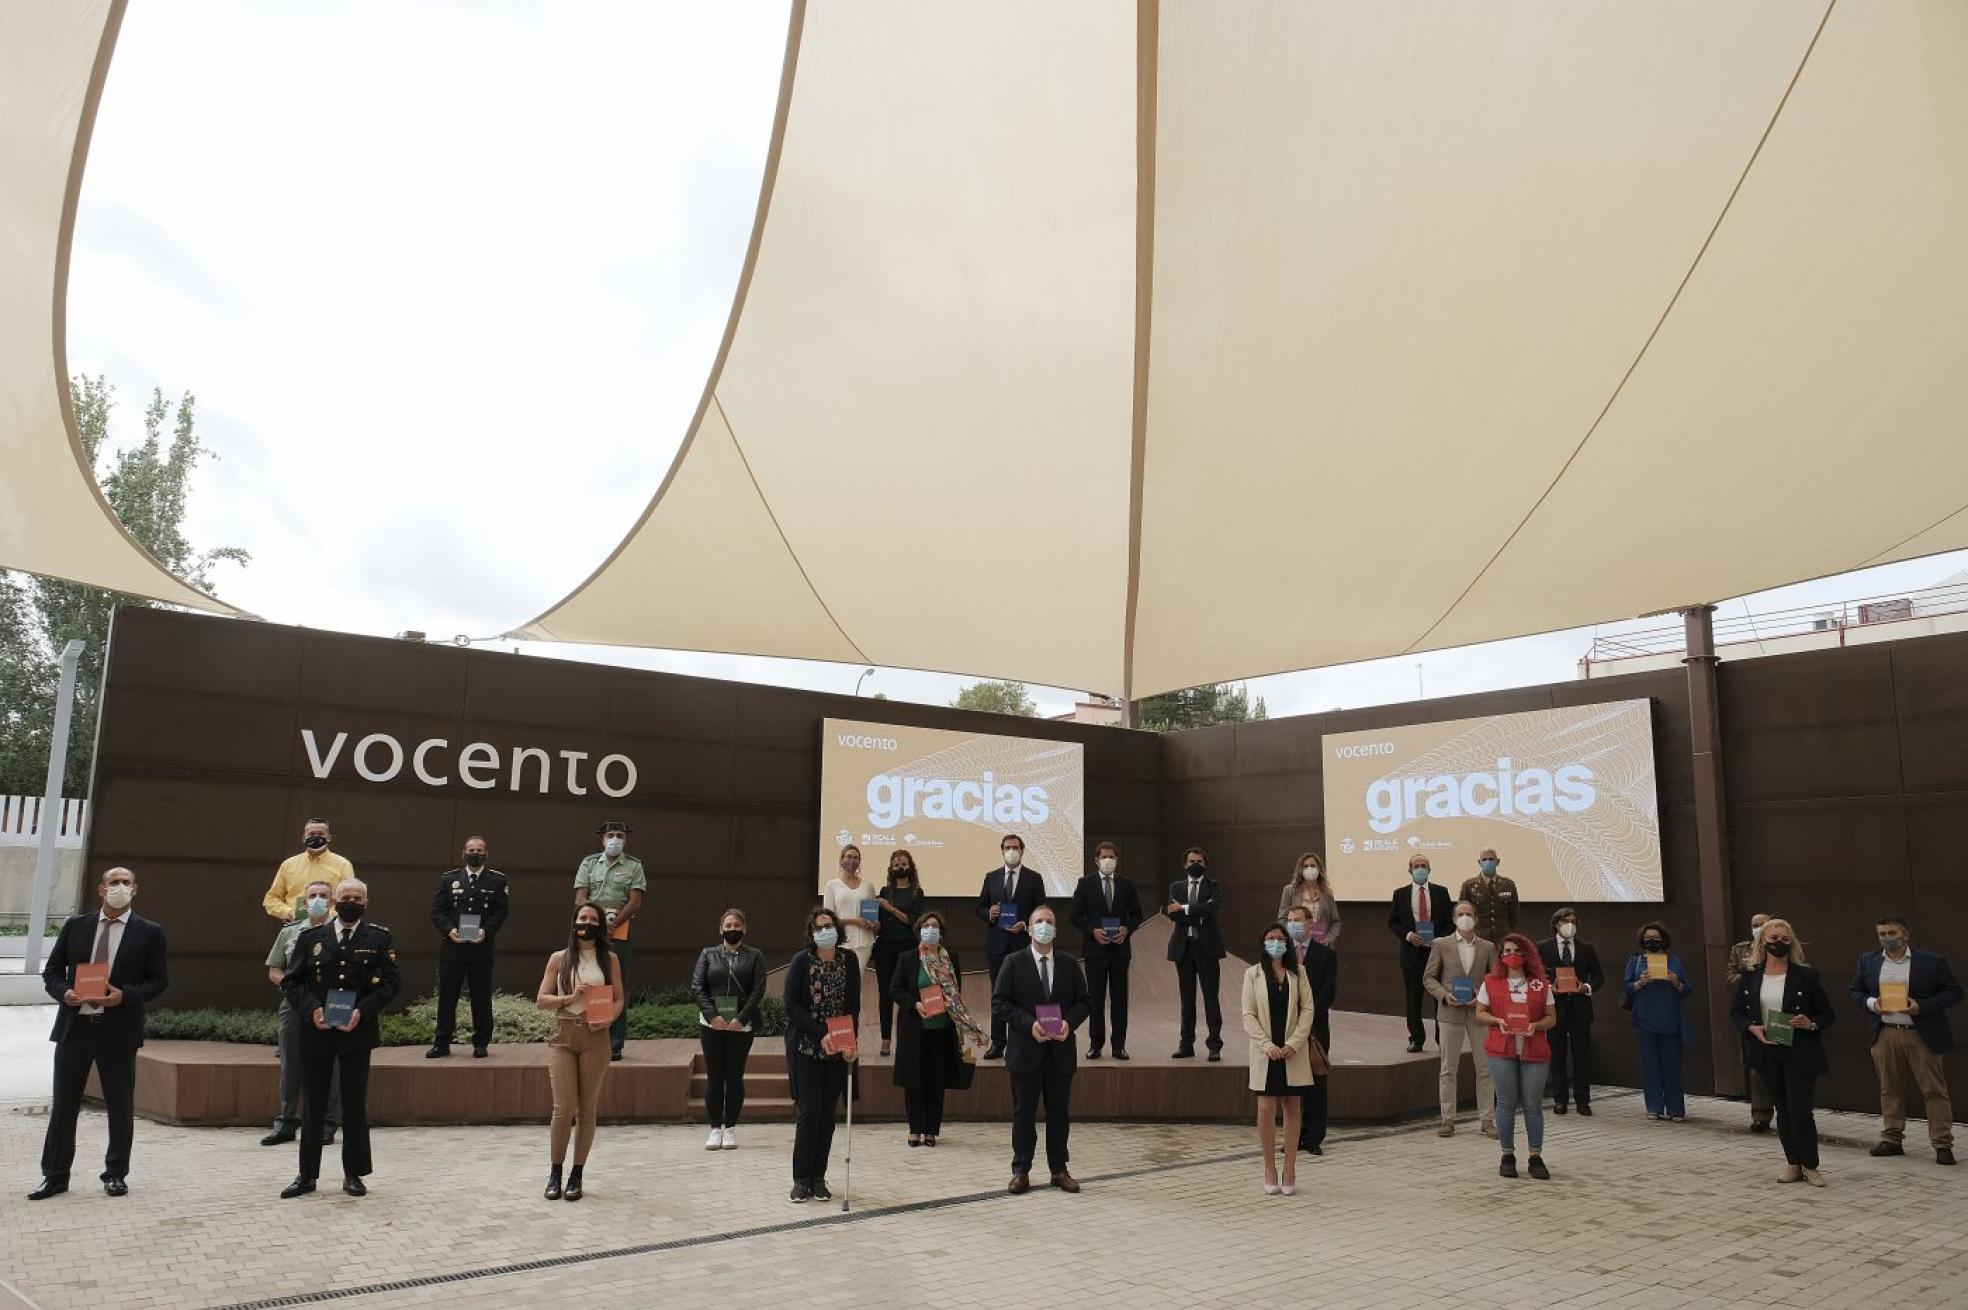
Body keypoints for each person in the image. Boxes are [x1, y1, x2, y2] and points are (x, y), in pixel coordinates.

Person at [29, 867, 169, 1201]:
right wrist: (64, 993)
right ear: (101, 890)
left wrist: (125, 995)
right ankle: (55, 1176)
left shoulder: (150, 932)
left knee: (120, 1106)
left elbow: (159, 981)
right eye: (113, 882)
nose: (119, 887)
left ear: (135, 889)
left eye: (125, 883)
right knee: (64, 1106)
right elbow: (52, 971)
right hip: (74, 1028)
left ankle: (115, 1174)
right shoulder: (76, 926)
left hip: (118, 1031)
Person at [278, 878, 402, 1199]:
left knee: (354, 1104)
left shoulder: (378, 938)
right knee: (314, 1105)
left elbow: (391, 984)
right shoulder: (310, 938)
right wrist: (312, 1010)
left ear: (366, 903)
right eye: (345, 897)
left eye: (357, 898)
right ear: (335, 901)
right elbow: (292, 983)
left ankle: (354, 1174)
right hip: (316, 1031)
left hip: (356, 1033)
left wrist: (362, 1010)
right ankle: (307, 1175)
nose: (351, 902)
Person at [1730, 918, 1836, 1185]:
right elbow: (1737, 1013)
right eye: (1774, 938)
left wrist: (1810, 1023)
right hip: (1767, 1050)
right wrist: (1750, 1028)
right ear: (1762, 942)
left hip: (1799, 1050)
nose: (1779, 943)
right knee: (1783, 1110)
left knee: (1800, 1110)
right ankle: (1793, 1163)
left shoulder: (1806, 976)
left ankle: (1811, 1165)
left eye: (1785, 939)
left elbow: (1826, 1014)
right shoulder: (1750, 976)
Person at [993, 905, 1088, 1194]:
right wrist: (1029, 1024)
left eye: (1049, 921)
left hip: (1060, 1052)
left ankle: (1059, 1169)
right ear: (1029, 929)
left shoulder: (1070, 964)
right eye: (1039, 921)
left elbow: (1084, 1002)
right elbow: (1000, 1003)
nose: (1044, 926)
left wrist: (1069, 1023)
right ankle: (1021, 1170)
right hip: (1025, 1052)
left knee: (1059, 1114)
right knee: (1024, 1114)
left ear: (1055, 930)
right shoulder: (1013, 962)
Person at [1850, 917, 1960, 1166]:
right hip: (1885, 1033)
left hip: (1921, 1033)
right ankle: (1892, 1138)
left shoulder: (1931, 961)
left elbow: (1954, 992)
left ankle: (1942, 1143)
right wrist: (1872, 1003)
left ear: (1905, 935)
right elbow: (1856, 990)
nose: (1887, 938)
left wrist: (1921, 1006)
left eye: (1892, 933)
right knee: (1890, 1088)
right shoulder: (1869, 960)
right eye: (1882, 934)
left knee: (1934, 1090)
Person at [535, 902, 623, 1199]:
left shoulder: (609, 959)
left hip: (595, 1036)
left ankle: (577, 1173)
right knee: (563, 1108)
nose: (587, 923)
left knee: (587, 1109)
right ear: (574, 923)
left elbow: (619, 999)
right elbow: (541, 1000)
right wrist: (570, 997)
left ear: (601, 926)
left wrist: (608, 1018)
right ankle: (555, 1171)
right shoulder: (559, 958)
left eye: (593, 919)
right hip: (563, 1034)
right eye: (583, 918)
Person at [784, 908, 861, 1203]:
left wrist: (849, 1041)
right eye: (819, 928)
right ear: (812, 933)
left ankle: (818, 1177)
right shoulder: (801, 961)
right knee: (809, 1113)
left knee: (828, 1116)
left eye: (829, 926)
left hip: (838, 1048)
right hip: (807, 1047)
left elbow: (853, 1005)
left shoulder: (849, 960)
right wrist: (821, 1034)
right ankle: (801, 1179)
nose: (825, 931)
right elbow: (792, 1006)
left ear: (837, 929)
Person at [890, 911, 983, 1147]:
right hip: (915, 1028)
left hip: (942, 1029)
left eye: (935, 926)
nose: (930, 930)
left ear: (941, 933)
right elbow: (895, 989)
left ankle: (931, 1130)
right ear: (919, 930)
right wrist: (915, 1004)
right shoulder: (908, 958)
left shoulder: (951, 958)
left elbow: (956, 993)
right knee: (914, 1080)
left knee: (936, 1081)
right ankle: (915, 1129)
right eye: (926, 926)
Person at [261, 879, 339, 1147]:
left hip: (330, 1002)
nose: (318, 900)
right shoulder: (290, 932)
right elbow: (274, 970)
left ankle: (326, 1124)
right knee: (290, 1062)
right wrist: (294, 988)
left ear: (332, 902)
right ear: (305, 902)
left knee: (331, 1064)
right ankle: (286, 1122)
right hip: (294, 1003)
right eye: (313, 895)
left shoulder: (341, 931)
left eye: (323, 895)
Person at [1241, 922, 1316, 1195]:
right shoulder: (1252, 974)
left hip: (1292, 1051)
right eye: (1271, 938)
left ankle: (1290, 1168)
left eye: (1281, 939)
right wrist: (1265, 1044)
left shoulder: (1299, 972)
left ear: (1287, 943)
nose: (1276, 943)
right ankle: (1269, 1168)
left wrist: (1294, 1043)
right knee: (1265, 1108)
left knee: (1292, 1106)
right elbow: (1248, 1014)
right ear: (1263, 942)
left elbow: (1308, 1010)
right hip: (1266, 1052)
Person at [1475, 932, 1557, 1179]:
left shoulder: (1540, 984)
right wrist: (1497, 1020)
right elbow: (1480, 1013)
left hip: (1535, 1050)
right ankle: (1507, 1155)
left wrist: (1536, 1025)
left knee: (1533, 1105)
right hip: (1501, 1049)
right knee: (1505, 1103)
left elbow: (1551, 1018)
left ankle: (1535, 1156)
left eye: (1517, 951)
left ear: (1527, 954)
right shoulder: (1491, 982)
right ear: (1501, 956)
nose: (1512, 955)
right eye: (1507, 951)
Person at [427, 835, 510, 1059]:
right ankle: (441, 1043)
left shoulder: (497, 880)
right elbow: (437, 911)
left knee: (481, 997)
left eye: (480, 850)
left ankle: (481, 1043)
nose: (476, 854)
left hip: (481, 949)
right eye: (472, 850)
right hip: (452, 948)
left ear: (486, 854)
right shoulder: (449, 879)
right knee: (447, 997)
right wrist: (449, 930)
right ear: (463, 853)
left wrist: (486, 931)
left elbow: (501, 911)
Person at [691, 909, 766, 1150]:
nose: (732, 929)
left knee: (734, 1077)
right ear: (720, 929)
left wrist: (741, 1019)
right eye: (728, 925)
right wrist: (712, 1016)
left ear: (744, 928)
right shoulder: (707, 954)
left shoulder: (755, 956)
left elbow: (758, 989)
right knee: (715, 1078)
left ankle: (730, 1129)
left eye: (737, 925)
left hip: (741, 1026)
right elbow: (697, 986)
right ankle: (715, 1129)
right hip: (711, 1025)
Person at [572, 820, 645, 1061]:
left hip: (619, 930)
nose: (615, 839)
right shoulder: (590, 863)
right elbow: (580, 898)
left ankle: (614, 1043)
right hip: (591, 928)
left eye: (620, 836)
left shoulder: (634, 865)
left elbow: (635, 902)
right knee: (592, 981)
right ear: (603, 839)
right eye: (611, 835)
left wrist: (612, 924)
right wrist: (597, 921)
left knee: (615, 983)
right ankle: (593, 1036)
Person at [1423, 901, 1496, 1138]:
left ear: (1476, 918)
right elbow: (1429, 978)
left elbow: (1495, 979)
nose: (1465, 917)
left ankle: (1487, 1119)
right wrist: (1444, 996)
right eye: (1461, 914)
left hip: (1478, 1013)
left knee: (1485, 1068)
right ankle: (1448, 1119)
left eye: (1469, 914)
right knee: (1448, 1068)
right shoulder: (1441, 944)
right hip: (1450, 1013)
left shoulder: (1487, 947)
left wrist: (1482, 997)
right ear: (1454, 919)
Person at [1069, 840, 1143, 1060]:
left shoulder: (1127, 885)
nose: (1108, 860)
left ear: (1117, 860)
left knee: (1120, 999)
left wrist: (1127, 929)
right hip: (1095, 950)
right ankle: (1096, 1044)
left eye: (1111, 857)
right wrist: (1092, 931)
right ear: (1096, 860)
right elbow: (1074, 915)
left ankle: (1119, 1046)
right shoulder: (1085, 884)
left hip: (1120, 950)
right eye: (1104, 857)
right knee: (1095, 999)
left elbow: (1137, 915)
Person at [975, 833, 1044, 1059]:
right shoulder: (991, 877)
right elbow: (979, 908)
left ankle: (1022, 1040)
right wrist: (990, 913)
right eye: (1007, 847)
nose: (1011, 851)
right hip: (996, 945)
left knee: (1024, 992)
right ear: (1002, 850)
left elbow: (1041, 910)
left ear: (1022, 850)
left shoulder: (1034, 878)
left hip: (1022, 943)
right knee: (998, 994)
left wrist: (1025, 924)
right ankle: (997, 1043)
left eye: (1015, 847)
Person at [1536, 907, 1604, 1115]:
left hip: (1580, 1009)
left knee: (1581, 1055)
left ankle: (1583, 1101)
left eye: (1574, 921)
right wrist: (1549, 987)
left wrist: (1586, 987)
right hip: (1555, 1009)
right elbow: (1535, 976)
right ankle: (1560, 1100)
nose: (1570, 925)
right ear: (1556, 924)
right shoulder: (1543, 947)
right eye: (1566, 921)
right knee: (1557, 1055)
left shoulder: (1586, 948)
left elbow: (1599, 977)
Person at [1623, 921, 1694, 1122]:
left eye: (1655, 938)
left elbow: (1687, 989)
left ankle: (1676, 1108)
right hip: (1644, 1018)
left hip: (1670, 1019)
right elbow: (1627, 987)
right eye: (1648, 938)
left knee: (1672, 1066)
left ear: (1663, 940)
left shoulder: (1674, 961)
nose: (1652, 941)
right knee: (1649, 1066)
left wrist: (1676, 981)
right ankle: (1654, 1107)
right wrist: (1640, 982)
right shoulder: (1636, 961)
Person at [1283, 905, 1337, 1156]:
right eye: (1289, 920)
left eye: (1298, 920)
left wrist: (1306, 1017)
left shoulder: (1326, 954)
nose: (1293, 924)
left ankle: (1314, 1137)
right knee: (1292, 1086)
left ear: (1309, 923)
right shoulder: (1281, 953)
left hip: (1315, 1028)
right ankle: (1292, 1137)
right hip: (1287, 1028)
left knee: (1316, 1083)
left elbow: (1328, 992)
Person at [1387, 854, 1453, 1052]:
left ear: (1429, 869)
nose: (1420, 869)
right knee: (1413, 1000)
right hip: (1412, 954)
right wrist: (1408, 935)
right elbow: (1393, 922)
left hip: (1437, 953)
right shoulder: (1400, 894)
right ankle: (1416, 1038)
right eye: (1416, 866)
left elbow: (1450, 922)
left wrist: (1439, 939)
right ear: (1410, 870)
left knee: (1440, 999)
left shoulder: (1441, 892)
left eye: (1424, 865)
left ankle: (1443, 1039)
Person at [1166, 847, 1226, 1060]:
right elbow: (1172, 915)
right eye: (1192, 861)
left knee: (1211, 997)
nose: (1195, 864)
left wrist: (1183, 908)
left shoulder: (1214, 886)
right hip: (1184, 948)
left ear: (1205, 864)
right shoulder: (1176, 887)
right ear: (1185, 864)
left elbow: (1212, 909)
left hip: (1207, 948)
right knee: (1187, 999)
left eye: (1199, 861)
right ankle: (1186, 1045)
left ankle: (1214, 1045)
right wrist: (1198, 913)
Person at [869, 850, 924, 1058]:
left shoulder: (917, 892)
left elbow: (913, 921)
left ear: (910, 866)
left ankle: (908, 1038)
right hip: (885, 948)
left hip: (908, 948)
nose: (900, 867)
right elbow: (879, 923)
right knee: (885, 994)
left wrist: (890, 908)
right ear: (891, 868)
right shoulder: (885, 891)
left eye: (904, 864)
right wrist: (874, 925)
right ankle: (886, 1040)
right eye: (896, 864)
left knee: (908, 993)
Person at [1726, 912, 1773, 1132]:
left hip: (1777, 1013)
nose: (1758, 928)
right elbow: (1730, 976)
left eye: (1763, 924)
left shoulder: (1781, 946)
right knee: (1757, 1070)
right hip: (1753, 1014)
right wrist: (1749, 977)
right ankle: (1761, 1116)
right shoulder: (1741, 949)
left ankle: (1789, 1112)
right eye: (1755, 925)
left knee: (1784, 1067)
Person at [261, 817, 353, 921]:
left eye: (321, 834)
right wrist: (290, 913)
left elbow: (349, 899)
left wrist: (327, 916)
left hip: (330, 925)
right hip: (295, 925)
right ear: (304, 838)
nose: (316, 837)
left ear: (329, 838)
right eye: (312, 834)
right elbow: (271, 899)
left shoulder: (343, 865)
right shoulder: (288, 865)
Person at [821, 842, 880, 1004]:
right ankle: (838, 1018)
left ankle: (854, 1018)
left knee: (855, 984)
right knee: (838, 984)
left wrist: (873, 924)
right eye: (848, 856)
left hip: (863, 943)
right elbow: (827, 919)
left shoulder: (868, 885)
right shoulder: (832, 885)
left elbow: (873, 915)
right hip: (840, 943)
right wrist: (854, 921)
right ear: (841, 859)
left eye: (856, 857)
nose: (852, 860)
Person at [1277, 852, 1341, 948]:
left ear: (1319, 869)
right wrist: (1293, 936)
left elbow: (1335, 923)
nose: (1309, 868)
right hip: (1296, 945)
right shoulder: (1290, 891)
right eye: (1306, 866)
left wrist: (1328, 940)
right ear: (1301, 869)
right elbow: (1282, 919)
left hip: (1320, 945)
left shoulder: (1327, 893)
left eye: (1313, 866)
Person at [1457, 848, 1518, 946]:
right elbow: (1462, 914)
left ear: (1498, 862)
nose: (1488, 862)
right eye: (1484, 860)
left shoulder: (1508, 885)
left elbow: (1514, 914)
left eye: (1491, 859)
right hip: (1478, 938)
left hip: (1502, 938)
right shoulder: (1468, 886)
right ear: (1479, 862)